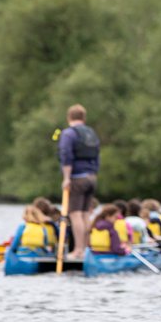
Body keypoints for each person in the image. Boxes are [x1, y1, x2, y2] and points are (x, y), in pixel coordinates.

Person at [57, 104, 100, 260]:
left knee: (75, 215)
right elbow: (97, 156)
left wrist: (66, 178)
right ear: (83, 117)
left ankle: (78, 250)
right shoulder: (91, 133)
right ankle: (87, 248)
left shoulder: (68, 134)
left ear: (69, 117)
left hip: (77, 177)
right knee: (85, 214)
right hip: (92, 177)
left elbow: (66, 155)